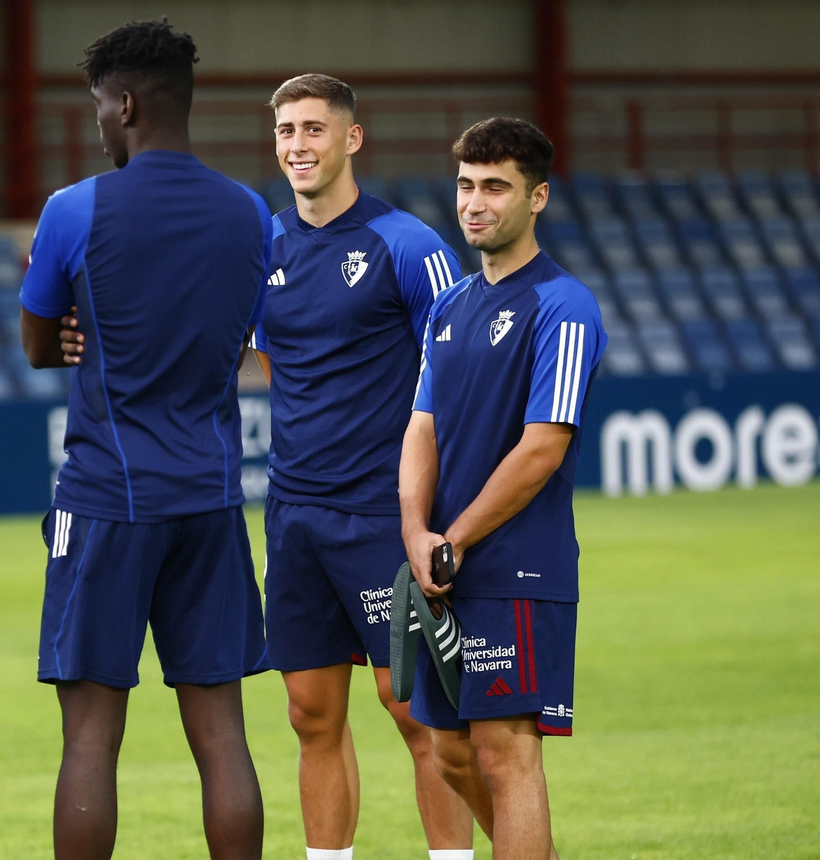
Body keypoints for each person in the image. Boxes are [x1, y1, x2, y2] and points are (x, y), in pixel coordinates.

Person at [20, 19, 272, 860]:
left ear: (123, 103)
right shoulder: (251, 213)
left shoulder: (74, 208)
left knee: (91, 738)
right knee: (223, 734)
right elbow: (245, 344)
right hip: (211, 500)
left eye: (98, 105)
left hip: (105, 502)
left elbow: (35, 343)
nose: (97, 121)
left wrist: (75, 330)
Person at [248, 74, 474, 860]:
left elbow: (459, 372)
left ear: (352, 139)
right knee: (310, 713)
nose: (298, 145)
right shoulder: (263, 247)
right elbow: (280, 366)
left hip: (386, 515)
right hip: (295, 516)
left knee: (414, 709)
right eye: (286, 131)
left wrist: (432, 509)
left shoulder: (409, 246)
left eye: (314, 129)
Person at [401, 117, 606, 860]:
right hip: (443, 568)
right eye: (465, 184)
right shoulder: (449, 308)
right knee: (450, 754)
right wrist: (416, 534)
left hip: (518, 565)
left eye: (495, 186)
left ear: (538, 197)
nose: (475, 202)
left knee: (504, 754)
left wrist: (453, 539)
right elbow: (421, 428)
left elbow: (542, 448)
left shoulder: (564, 305)